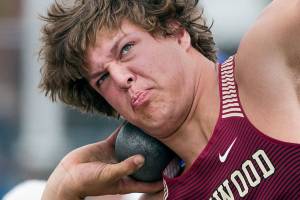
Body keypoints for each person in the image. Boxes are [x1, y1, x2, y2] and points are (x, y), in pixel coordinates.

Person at [38, 0, 300, 199]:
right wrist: (62, 189)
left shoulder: (266, 59)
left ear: (177, 32)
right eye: (102, 78)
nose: (120, 78)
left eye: (126, 49)